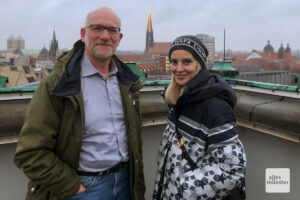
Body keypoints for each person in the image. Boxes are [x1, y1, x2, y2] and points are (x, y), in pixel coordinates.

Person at [14, 7, 145, 200]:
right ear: (83, 34)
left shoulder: (127, 82)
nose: (105, 36)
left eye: (112, 30)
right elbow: (30, 153)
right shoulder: (58, 83)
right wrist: (75, 188)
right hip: (84, 187)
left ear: (120, 38)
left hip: (126, 183)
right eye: (97, 28)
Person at [153, 35, 246, 200]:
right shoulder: (178, 100)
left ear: (199, 65)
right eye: (174, 62)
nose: (178, 68)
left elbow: (232, 169)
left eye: (186, 62)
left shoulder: (215, 107)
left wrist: (181, 190)